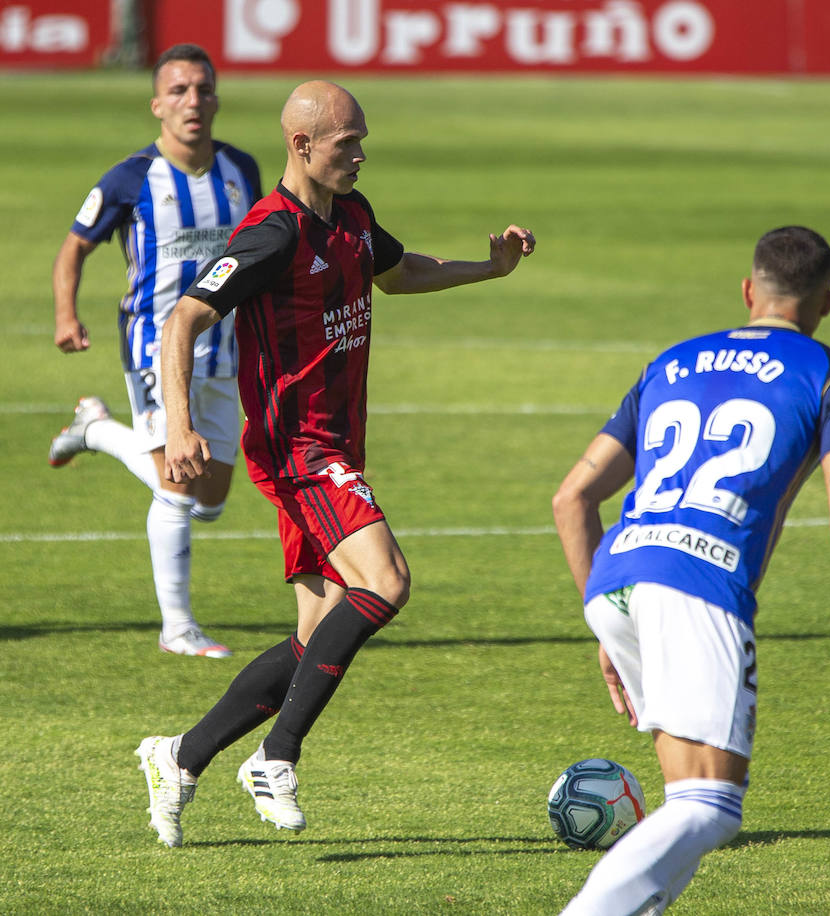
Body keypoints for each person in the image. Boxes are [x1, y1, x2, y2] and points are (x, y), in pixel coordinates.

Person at [134, 79, 536, 847]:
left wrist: (488, 270)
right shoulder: (271, 235)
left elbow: (396, 271)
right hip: (297, 449)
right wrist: (180, 427)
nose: (357, 154)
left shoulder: (350, 216)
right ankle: (276, 757)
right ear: (301, 146)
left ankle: (179, 756)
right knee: (386, 583)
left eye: (361, 141)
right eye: (344, 143)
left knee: (315, 634)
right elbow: (184, 317)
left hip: (336, 445)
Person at [550, 226, 830, 914]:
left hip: (615, 576)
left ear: (747, 290)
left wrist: (610, 621)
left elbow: (573, 498)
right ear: (828, 301)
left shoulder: (671, 361)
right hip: (699, 586)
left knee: (685, 802)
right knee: (712, 810)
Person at [47, 44, 261, 659]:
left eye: (202, 89)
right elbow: (73, 248)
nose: (192, 101)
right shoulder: (131, 177)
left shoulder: (241, 169)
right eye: (178, 91)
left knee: (210, 503)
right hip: (153, 345)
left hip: (224, 345)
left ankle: (97, 430)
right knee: (176, 488)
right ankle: (178, 628)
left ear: (216, 98)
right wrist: (67, 313)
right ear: (157, 104)